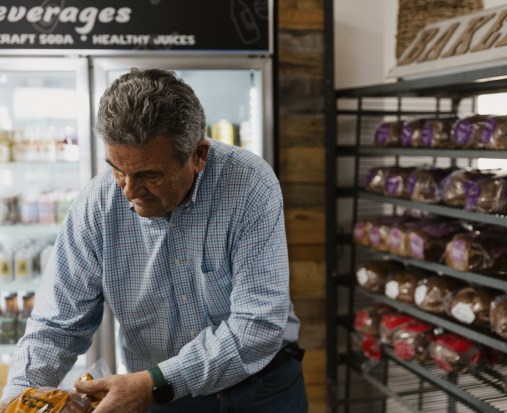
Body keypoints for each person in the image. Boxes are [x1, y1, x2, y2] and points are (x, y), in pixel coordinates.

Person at [0, 68, 308, 413]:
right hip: (162, 396)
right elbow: (56, 323)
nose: (129, 191)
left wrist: (155, 383)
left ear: (198, 155)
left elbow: (258, 323)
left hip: (261, 388)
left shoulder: (249, 184)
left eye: (150, 175)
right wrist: (20, 396)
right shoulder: (96, 204)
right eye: (117, 169)